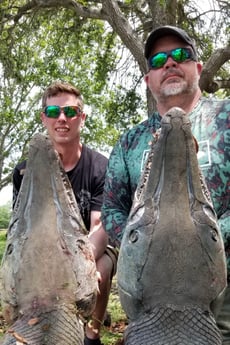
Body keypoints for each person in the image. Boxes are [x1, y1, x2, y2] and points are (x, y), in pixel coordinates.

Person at [101, 25, 230, 343]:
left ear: (198, 69)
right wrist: (140, 238)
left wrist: (214, 237)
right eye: (158, 60)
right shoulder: (130, 141)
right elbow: (111, 209)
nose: (169, 63)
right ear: (149, 80)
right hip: (149, 300)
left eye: (180, 55)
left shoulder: (227, 117)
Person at [12, 81, 118, 345]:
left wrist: (79, 264)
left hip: (90, 248)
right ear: (44, 118)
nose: (62, 118)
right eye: (53, 111)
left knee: (101, 270)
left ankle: (92, 332)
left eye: (70, 112)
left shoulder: (99, 166)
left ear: (81, 118)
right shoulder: (24, 172)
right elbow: (24, 229)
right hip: (46, 249)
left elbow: (99, 227)